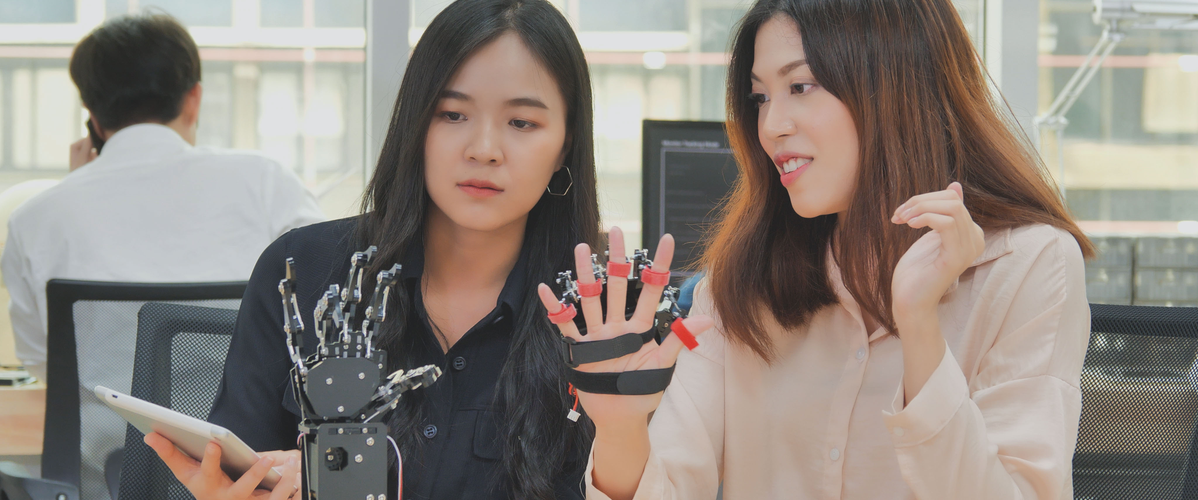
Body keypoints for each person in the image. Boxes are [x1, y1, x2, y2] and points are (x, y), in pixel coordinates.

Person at [552, 0, 1095, 499]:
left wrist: (919, 327)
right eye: (761, 97)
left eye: (802, 87)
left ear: (895, 84)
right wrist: (621, 430)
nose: (770, 125)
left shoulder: (1025, 265)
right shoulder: (737, 283)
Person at [145, 1, 601, 498]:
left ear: (565, 143)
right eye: (452, 114)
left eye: (522, 123)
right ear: (415, 125)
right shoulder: (302, 272)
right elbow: (240, 468)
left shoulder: (602, 314)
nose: (484, 148)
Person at [0, 13, 323, 500]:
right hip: (251, 475)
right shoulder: (267, 184)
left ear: (91, 114)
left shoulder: (38, 216)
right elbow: (317, 325)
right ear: (193, 97)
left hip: (105, 471)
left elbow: (47, 363)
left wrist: (73, 187)